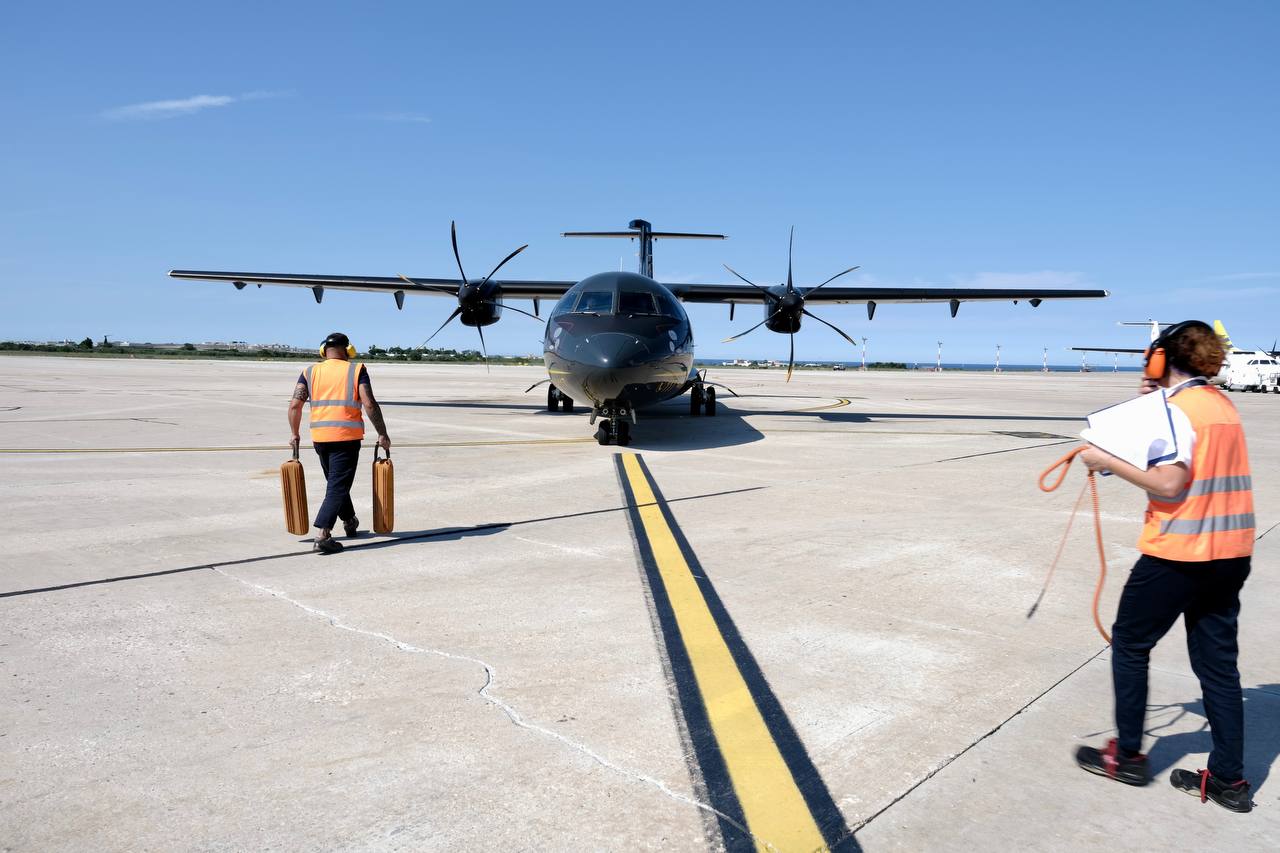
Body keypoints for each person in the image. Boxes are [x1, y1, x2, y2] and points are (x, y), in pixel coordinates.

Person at [1073, 320, 1255, 812]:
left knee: (1130, 644)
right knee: (1218, 669)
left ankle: (1127, 756)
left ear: (1160, 359)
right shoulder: (1222, 405)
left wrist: (1095, 457)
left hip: (1178, 552)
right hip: (1231, 554)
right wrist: (1148, 402)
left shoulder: (1175, 410)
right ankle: (1229, 781)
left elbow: (1169, 483)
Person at [287, 332, 391, 554]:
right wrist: (382, 433)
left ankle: (350, 520)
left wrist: (294, 433)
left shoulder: (310, 371)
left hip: (320, 439)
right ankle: (323, 534)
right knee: (337, 486)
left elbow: (295, 405)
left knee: (336, 483)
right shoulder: (356, 370)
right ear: (348, 350)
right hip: (346, 438)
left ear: (324, 350)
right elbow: (369, 403)